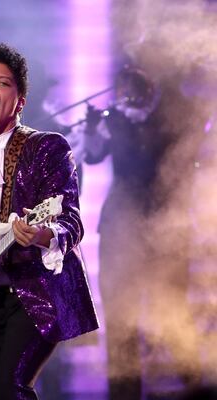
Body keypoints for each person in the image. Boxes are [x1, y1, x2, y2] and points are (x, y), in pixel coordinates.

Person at [0, 43, 98, 400]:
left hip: (38, 290)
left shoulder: (46, 147)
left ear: (20, 100)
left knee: (10, 387)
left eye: (3, 83)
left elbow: (70, 220)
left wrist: (41, 234)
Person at [83, 67, 205, 399]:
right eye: (123, 83)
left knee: (174, 311)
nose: (126, 91)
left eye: (134, 83)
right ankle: (124, 391)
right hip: (120, 230)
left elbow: (192, 145)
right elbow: (92, 155)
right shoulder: (114, 120)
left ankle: (192, 387)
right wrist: (93, 127)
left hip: (164, 229)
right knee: (121, 318)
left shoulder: (171, 118)